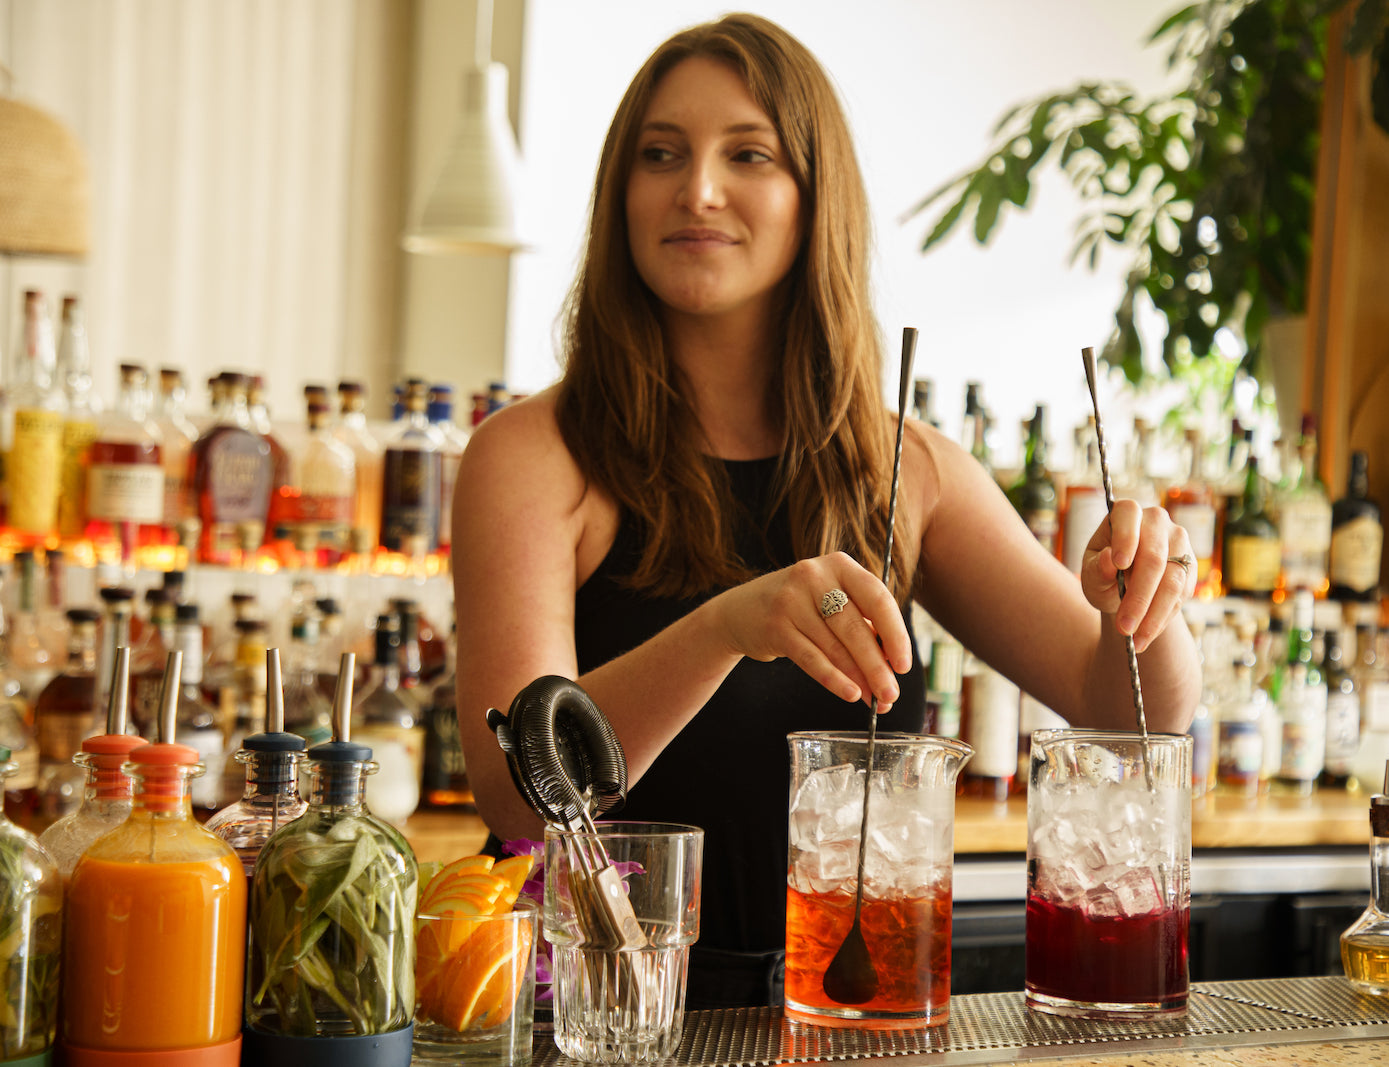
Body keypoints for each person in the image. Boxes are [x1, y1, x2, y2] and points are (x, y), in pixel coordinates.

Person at [452, 12, 1200, 1010]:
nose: (697, 189)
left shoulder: (903, 466)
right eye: (660, 154)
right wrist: (725, 627)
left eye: (746, 153)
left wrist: (1145, 596)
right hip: (607, 1011)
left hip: (861, 1009)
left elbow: (1121, 705)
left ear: (815, 199)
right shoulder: (537, 457)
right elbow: (516, 797)